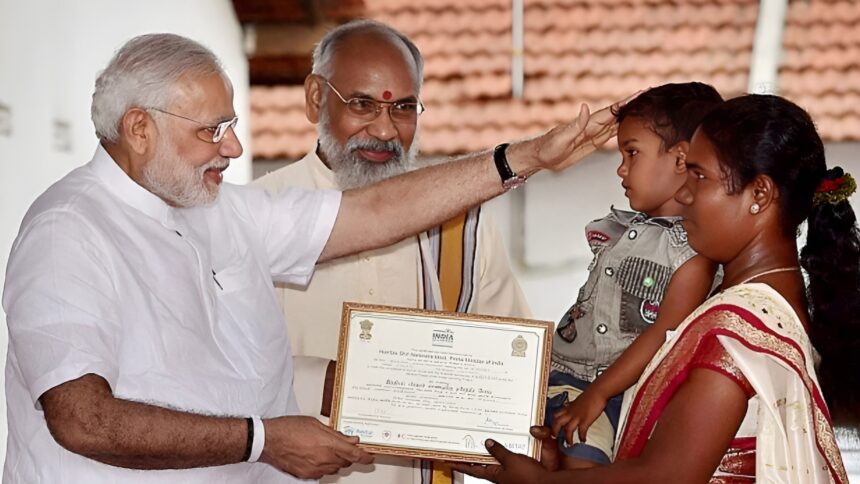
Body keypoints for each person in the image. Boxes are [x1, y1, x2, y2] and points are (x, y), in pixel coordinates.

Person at [1, 33, 617, 482]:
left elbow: (375, 213)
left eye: (230, 124)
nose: (233, 147)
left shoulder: (220, 211)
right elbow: (83, 420)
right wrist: (261, 440)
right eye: (212, 130)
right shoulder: (69, 232)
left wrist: (525, 158)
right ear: (139, 129)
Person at [455, 94, 856, 483]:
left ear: (759, 194)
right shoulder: (768, 308)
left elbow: (667, 476)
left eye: (699, 176)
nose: (683, 193)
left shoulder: (739, 331)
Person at [253, 20, 531, 484]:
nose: (384, 130)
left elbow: (511, 362)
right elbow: (218, 374)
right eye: (362, 104)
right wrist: (333, 382)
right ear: (315, 98)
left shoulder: (462, 224)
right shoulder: (256, 216)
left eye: (402, 107)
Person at [545, 83, 722, 466]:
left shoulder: (693, 255)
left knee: (581, 462)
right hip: (560, 377)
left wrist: (597, 393)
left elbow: (663, 334)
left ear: (681, 159)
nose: (621, 169)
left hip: (615, 392)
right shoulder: (621, 229)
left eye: (632, 152)